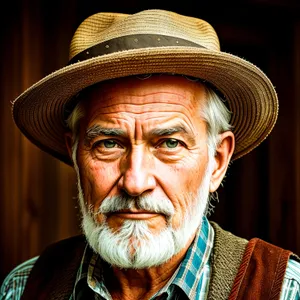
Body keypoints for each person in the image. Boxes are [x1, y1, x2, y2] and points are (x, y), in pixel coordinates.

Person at [1, 8, 300, 300]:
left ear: (217, 161)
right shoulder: (23, 288)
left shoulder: (285, 290)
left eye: (170, 143)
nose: (135, 182)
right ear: (75, 153)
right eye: (108, 143)